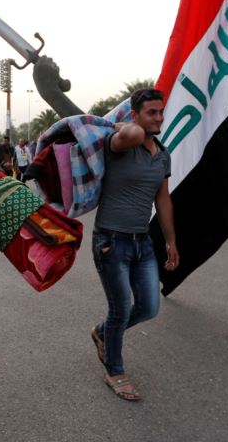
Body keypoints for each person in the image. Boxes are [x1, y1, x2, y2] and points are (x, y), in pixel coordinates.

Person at [87, 88, 179, 402]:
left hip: (143, 242)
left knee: (149, 307)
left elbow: (162, 198)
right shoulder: (122, 144)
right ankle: (115, 370)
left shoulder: (162, 154)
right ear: (135, 115)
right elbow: (130, 134)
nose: (159, 117)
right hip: (111, 241)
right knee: (121, 307)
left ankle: (102, 332)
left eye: (161, 111)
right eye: (151, 112)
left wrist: (171, 242)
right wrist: (126, 125)